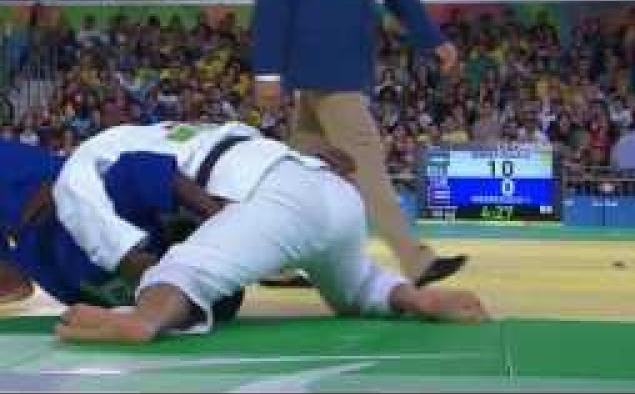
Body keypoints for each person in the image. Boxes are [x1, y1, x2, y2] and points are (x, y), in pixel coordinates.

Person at [250, 0, 464, 286]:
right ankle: (415, 258)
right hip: (319, 62)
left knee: (300, 164)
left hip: (354, 55)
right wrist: (267, 68)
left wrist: (433, 38)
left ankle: (276, 262)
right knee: (365, 153)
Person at [53, 122, 489, 344]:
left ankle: (142, 322)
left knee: (182, 270)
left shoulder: (93, 152)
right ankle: (418, 297)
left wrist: (129, 261)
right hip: (330, 190)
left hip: (275, 195)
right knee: (356, 286)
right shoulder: (194, 130)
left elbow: (77, 196)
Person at [0, 121, 244, 316]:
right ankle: (6, 272)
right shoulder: (147, 234)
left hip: (30, 232)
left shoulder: (148, 305)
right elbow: (145, 170)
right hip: (43, 186)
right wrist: (223, 221)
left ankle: (7, 272)